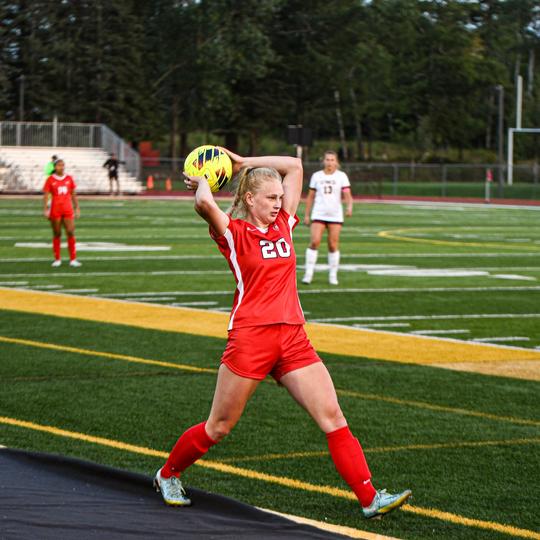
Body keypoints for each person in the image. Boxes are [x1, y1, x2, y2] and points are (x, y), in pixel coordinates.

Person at [153, 149, 411, 519]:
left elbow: (294, 166)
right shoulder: (231, 231)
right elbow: (204, 201)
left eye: (279, 197)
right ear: (249, 199)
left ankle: (370, 498)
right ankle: (167, 474)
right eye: (271, 198)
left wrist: (241, 161)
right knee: (219, 427)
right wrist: (205, 178)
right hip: (250, 338)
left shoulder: (285, 224)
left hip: (293, 337)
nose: (278, 204)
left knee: (333, 417)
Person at [302, 151, 353, 285]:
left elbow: (347, 194)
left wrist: (349, 207)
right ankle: (308, 274)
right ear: (323, 161)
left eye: (332, 160)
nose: (330, 162)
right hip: (318, 213)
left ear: (336, 162)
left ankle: (332, 275)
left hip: (335, 215)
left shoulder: (341, 176)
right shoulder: (316, 176)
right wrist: (307, 215)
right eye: (327, 159)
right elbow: (310, 197)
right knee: (314, 242)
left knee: (332, 244)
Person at [42, 159, 82, 267]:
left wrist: (77, 207)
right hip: (55, 209)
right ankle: (57, 259)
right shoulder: (50, 179)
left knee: (70, 231)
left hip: (68, 209)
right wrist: (45, 209)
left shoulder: (69, 178)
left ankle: (73, 259)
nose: (62, 167)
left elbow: (73, 194)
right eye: (59, 165)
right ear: (55, 167)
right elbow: (46, 195)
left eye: (63, 165)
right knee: (57, 233)